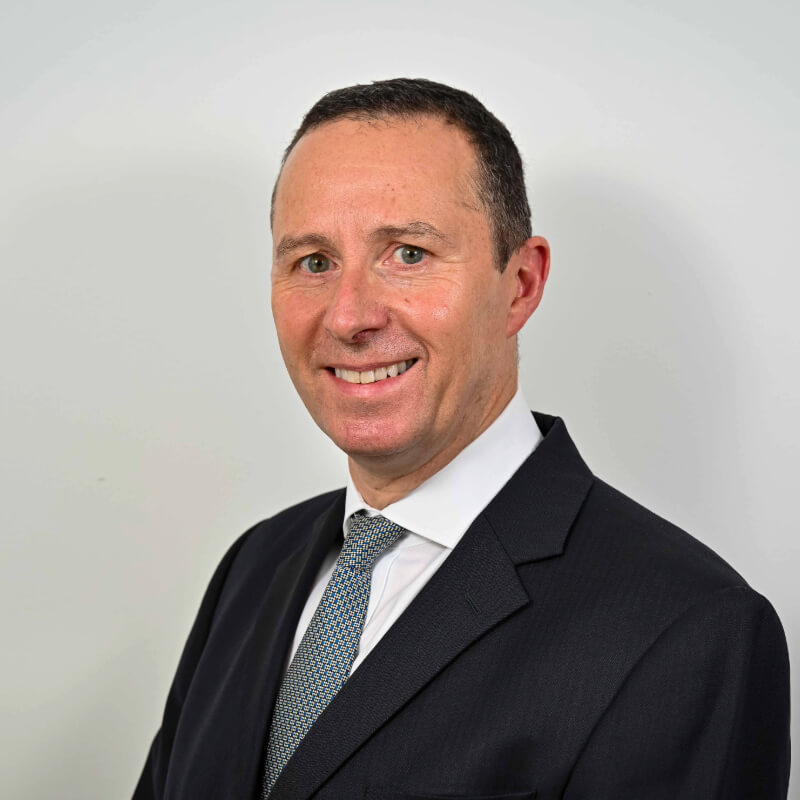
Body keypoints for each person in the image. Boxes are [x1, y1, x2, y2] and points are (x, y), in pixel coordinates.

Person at [133, 78, 791, 800]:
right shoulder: (254, 567)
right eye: (314, 262)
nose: (349, 316)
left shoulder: (688, 631)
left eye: (408, 253)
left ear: (520, 284)